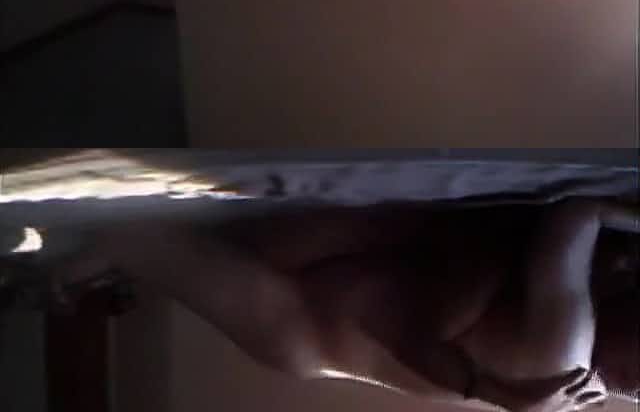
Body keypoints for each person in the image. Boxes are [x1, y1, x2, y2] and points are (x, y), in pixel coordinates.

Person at [58, 197, 638, 412]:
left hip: (302, 323)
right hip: (338, 277)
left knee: (129, 240)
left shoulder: (566, 355)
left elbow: (577, 212)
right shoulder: (567, 377)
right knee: (154, 248)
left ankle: (69, 269)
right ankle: (97, 270)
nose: (629, 390)